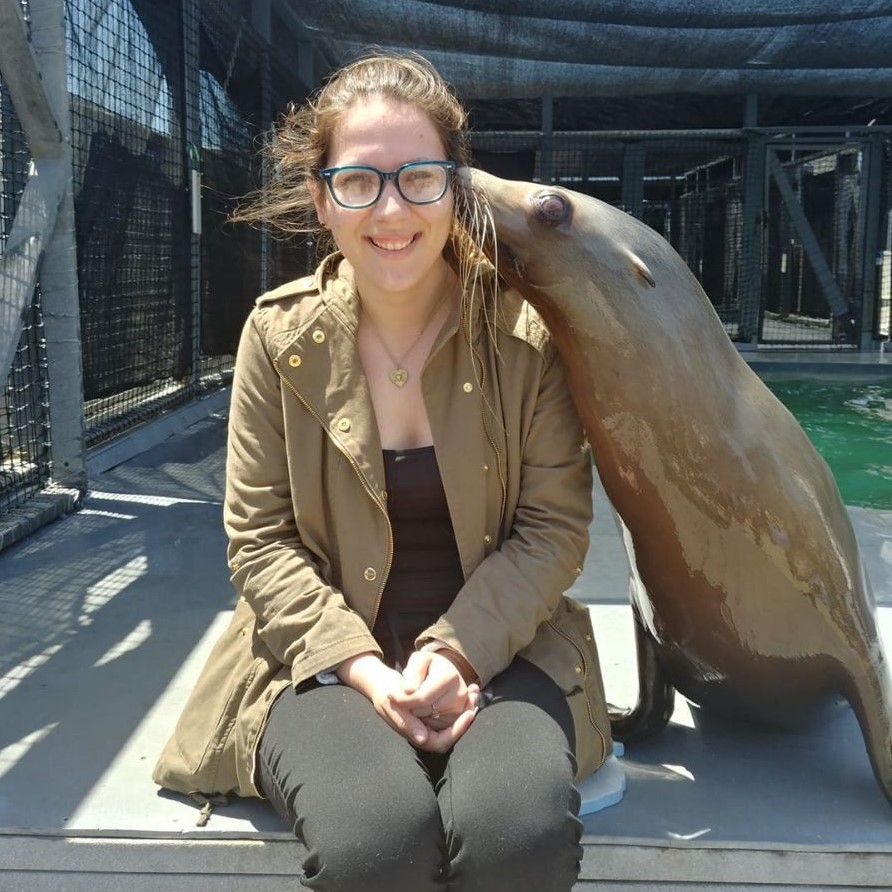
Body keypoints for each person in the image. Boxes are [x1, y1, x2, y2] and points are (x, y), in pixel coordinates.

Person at [154, 50, 612, 891]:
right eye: (360, 181)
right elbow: (259, 542)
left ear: (455, 188)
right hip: (323, 657)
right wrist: (364, 668)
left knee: (518, 833)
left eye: (419, 178)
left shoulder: (528, 337)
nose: (392, 208)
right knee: (378, 843)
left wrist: (458, 651)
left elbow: (554, 529)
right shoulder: (276, 338)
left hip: (503, 648)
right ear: (323, 199)